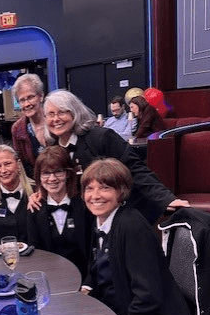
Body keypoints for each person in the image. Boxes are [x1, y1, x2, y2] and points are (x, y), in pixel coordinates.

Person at [81, 158, 197, 315]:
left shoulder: (132, 227)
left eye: (105, 188)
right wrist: (86, 287)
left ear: (121, 192)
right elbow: (99, 263)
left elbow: (148, 296)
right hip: (118, 310)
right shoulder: (102, 219)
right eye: (89, 188)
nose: (95, 196)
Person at [40, 89, 188, 223]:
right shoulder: (53, 149)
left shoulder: (101, 137)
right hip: (86, 222)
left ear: (75, 113)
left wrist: (166, 199)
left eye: (62, 112)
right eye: (51, 114)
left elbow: (135, 169)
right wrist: (40, 193)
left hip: (122, 214)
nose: (56, 119)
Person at [27, 146, 93, 278]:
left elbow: (93, 250)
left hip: (84, 277)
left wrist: (88, 284)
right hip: (50, 279)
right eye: (46, 173)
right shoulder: (35, 208)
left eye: (58, 172)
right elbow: (35, 252)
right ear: (39, 177)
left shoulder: (85, 205)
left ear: (68, 173)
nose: (52, 179)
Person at [0, 145, 34, 244]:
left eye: (7, 164)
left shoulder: (36, 192)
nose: (3, 170)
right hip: (2, 257)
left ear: (18, 165)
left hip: (37, 255)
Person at [11, 73, 51, 177]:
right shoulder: (17, 129)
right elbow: (23, 164)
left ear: (41, 96)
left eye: (30, 97)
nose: (27, 104)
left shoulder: (54, 119)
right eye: (22, 100)